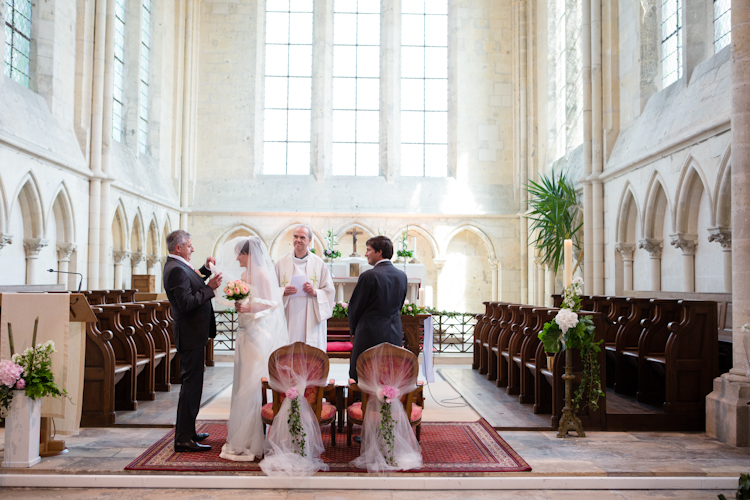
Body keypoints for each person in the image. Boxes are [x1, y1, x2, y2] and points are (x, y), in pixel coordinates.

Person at [215, 236, 289, 462]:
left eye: (240, 253)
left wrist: (249, 307)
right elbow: (244, 299)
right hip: (244, 332)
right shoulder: (244, 276)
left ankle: (254, 439)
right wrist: (239, 305)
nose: (237, 257)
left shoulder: (263, 275)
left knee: (252, 383)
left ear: (249, 255)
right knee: (241, 382)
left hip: (258, 332)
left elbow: (272, 303)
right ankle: (242, 436)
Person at [163, 230, 223, 453]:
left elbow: (193, 280)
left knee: (194, 386)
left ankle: (188, 431)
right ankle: (183, 439)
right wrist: (211, 289)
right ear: (178, 248)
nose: (193, 248)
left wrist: (205, 271)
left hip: (193, 334)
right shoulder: (175, 269)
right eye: (189, 245)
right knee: (190, 387)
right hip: (190, 335)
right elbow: (187, 302)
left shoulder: (179, 266)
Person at [348, 235, 408, 381]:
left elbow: (355, 308)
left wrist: (353, 331)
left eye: (369, 250)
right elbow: (399, 305)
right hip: (393, 332)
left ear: (379, 252)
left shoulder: (369, 276)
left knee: (364, 374)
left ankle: (360, 402)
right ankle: (386, 402)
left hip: (369, 333)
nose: (366, 254)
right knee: (388, 373)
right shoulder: (402, 276)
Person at [274, 225, 335, 350]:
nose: (298, 240)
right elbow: (270, 289)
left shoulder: (319, 263)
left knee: (309, 352)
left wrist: (315, 292)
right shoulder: (281, 262)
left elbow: (329, 290)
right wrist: (283, 291)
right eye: (295, 236)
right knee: (289, 350)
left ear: (309, 240)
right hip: (289, 315)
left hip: (311, 315)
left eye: (302, 237)